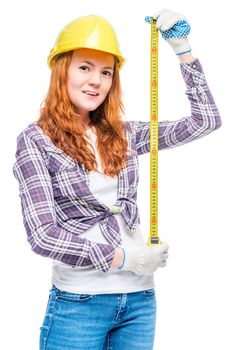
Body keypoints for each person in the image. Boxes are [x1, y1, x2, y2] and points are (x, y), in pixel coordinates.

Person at [12, 8, 221, 350]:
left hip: (139, 301)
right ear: (60, 70)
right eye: (84, 67)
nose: (96, 80)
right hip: (79, 304)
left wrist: (184, 52)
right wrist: (125, 258)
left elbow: (205, 122)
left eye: (106, 72)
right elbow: (42, 235)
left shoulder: (125, 134)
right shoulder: (35, 141)